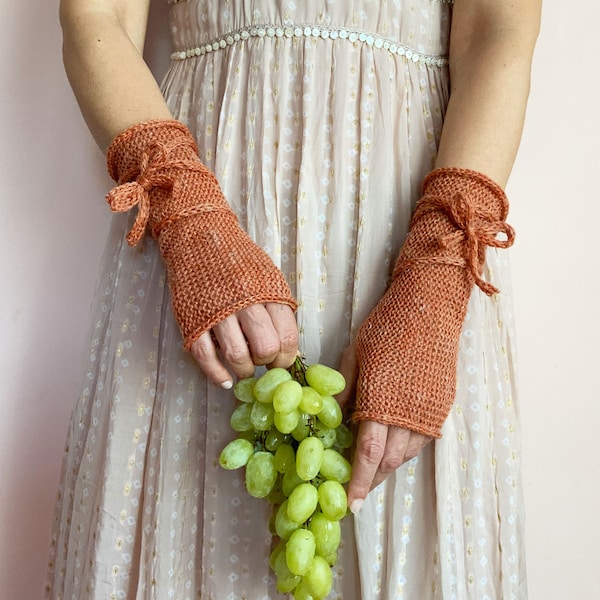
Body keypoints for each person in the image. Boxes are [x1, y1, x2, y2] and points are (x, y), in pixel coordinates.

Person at [46, 1, 541, 598]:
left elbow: (499, 35)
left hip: (414, 228)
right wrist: (190, 219)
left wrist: (434, 280)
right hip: (197, 218)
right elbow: (96, 20)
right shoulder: (190, 223)